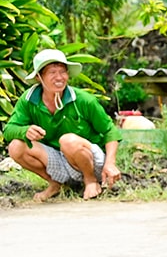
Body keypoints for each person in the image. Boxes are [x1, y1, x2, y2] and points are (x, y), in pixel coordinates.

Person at [4, 48, 121, 202]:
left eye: (63, 72)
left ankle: (90, 181)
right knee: (16, 147)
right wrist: (25, 131)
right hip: (58, 160)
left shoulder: (84, 100)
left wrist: (110, 164)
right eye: (52, 72)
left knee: (68, 140)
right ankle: (55, 184)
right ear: (39, 77)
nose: (59, 77)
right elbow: (8, 130)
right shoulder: (28, 100)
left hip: (91, 161)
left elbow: (110, 130)